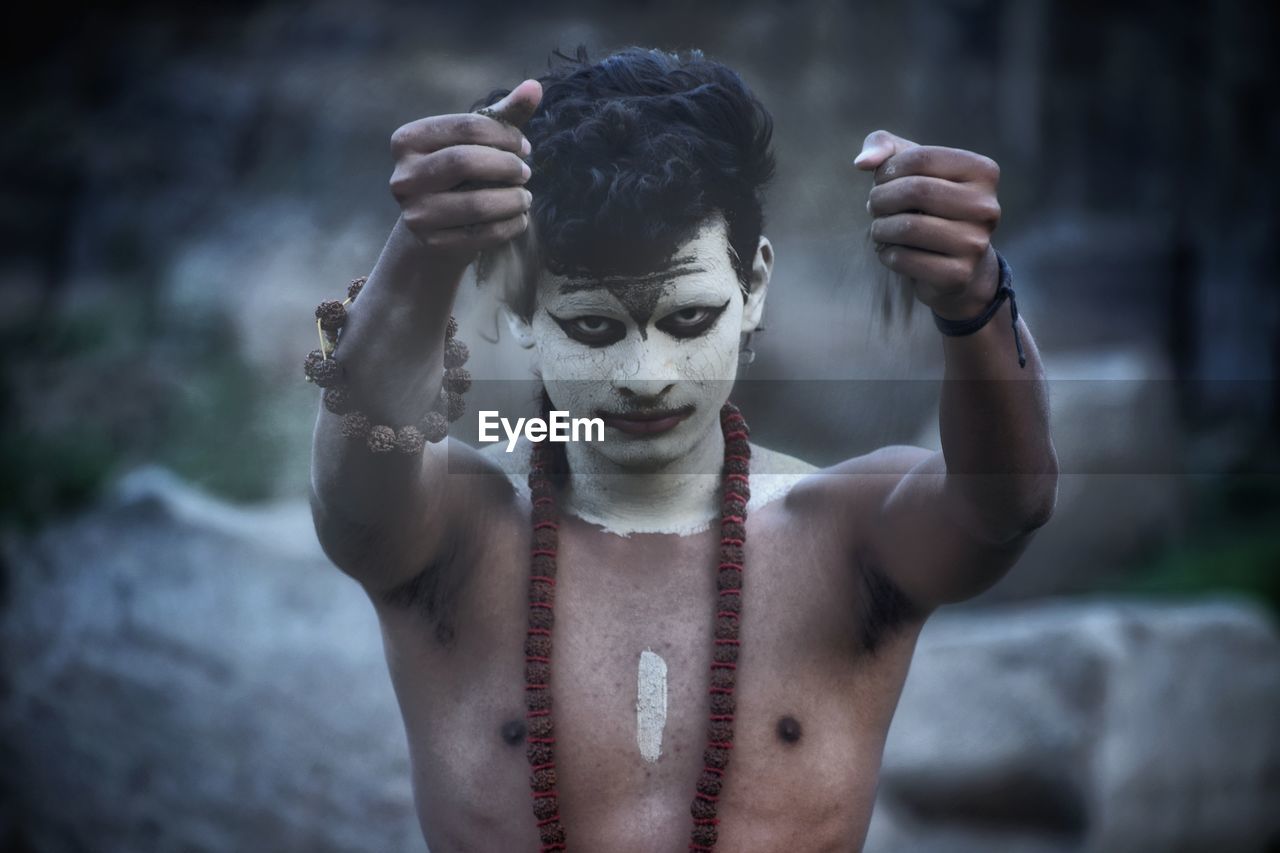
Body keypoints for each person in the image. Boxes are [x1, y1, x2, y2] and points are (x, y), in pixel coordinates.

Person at [308, 46, 1058, 853]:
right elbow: (358, 482)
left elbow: (1008, 503)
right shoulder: (458, 538)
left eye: (689, 320)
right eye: (594, 327)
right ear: (522, 309)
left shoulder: (848, 533)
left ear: (754, 289)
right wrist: (422, 249)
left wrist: (975, 295)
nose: (645, 376)